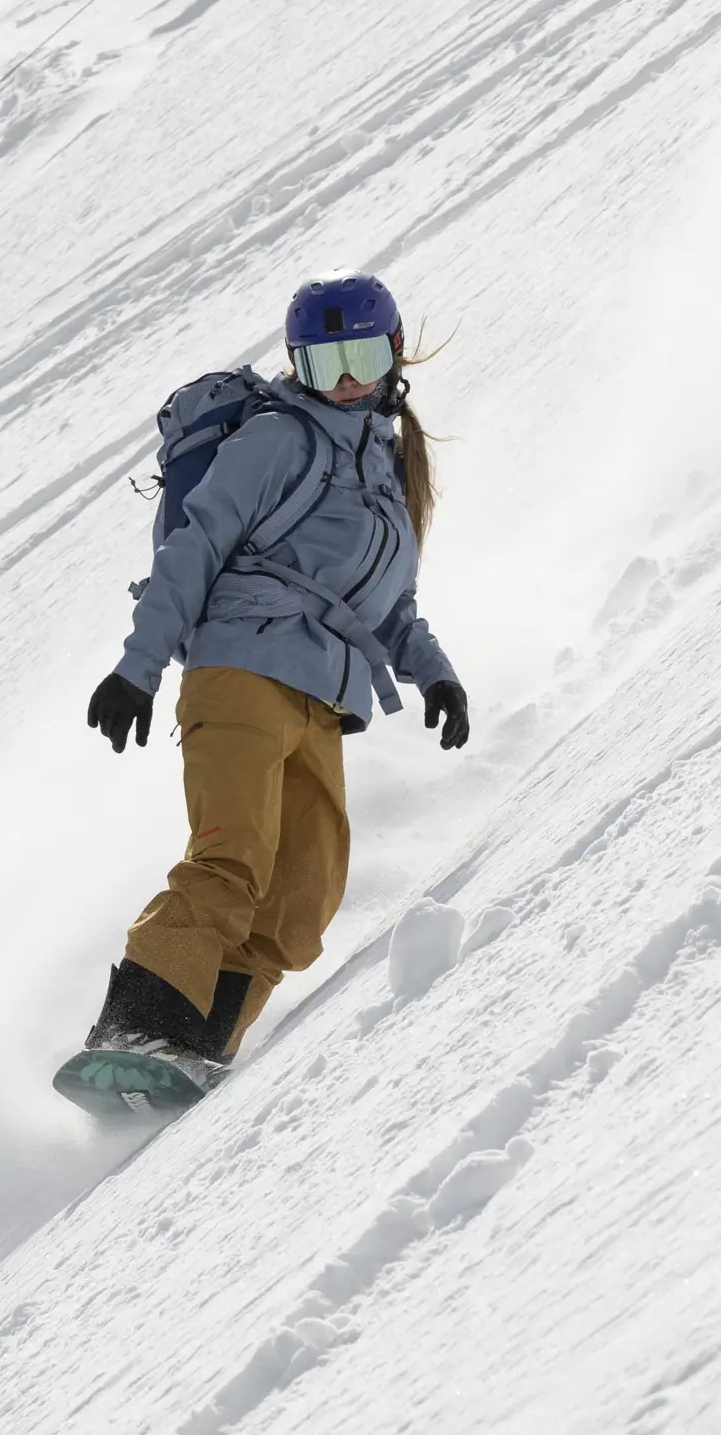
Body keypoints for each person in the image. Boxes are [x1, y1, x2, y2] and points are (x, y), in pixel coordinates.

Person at [81, 272, 468, 1089]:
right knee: (232, 857)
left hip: (325, 700)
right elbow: (194, 548)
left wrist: (436, 677)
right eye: (327, 366)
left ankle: (196, 1047)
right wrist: (137, 668)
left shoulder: (390, 475)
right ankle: (135, 1029)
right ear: (299, 367)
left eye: (362, 356)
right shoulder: (277, 439)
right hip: (241, 668)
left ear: (395, 353)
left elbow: (391, 607)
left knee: (302, 899)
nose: (349, 380)